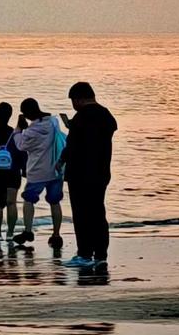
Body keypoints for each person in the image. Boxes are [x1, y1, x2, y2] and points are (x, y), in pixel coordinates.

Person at [59, 82, 117, 270]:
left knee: (82, 215)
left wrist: (60, 161)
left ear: (79, 99)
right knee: (98, 213)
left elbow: (73, 145)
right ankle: (101, 254)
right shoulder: (106, 115)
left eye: (73, 101)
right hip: (101, 172)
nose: (73, 105)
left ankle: (84, 253)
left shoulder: (81, 117)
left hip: (80, 173)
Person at [11, 98, 65, 249]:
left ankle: (28, 230)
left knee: (29, 199)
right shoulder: (53, 122)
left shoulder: (31, 131)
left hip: (37, 170)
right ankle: (56, 234)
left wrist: (18, 129)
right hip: (55, 168)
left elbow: (21, 145)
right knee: (55, 201)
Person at [0, 102, 25, 241]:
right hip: (13, 171)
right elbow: (22, 153)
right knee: (11, 202)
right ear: (10, 115)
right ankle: (10, 233)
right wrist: (24, 169)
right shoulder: (15, 133)